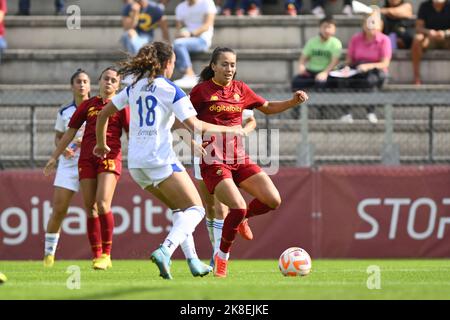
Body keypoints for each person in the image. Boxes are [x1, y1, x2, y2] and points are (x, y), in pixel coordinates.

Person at [93, 42, 245, 280]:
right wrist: (231, 130)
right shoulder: (171, 89)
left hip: (137, 164)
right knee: (196, 209)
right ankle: (166, 250)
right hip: (159, 159)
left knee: (180, 209)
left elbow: (103, 114)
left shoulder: (135, 87)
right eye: (174, 61)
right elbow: (195, 125)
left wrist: (101, 144)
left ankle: (193, 260)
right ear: (167, 63)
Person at [189, 46, 308, 277]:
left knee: (273, 200)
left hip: (239, 158)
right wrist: (189, 143)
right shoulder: (201, 92)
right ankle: (221, 258)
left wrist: (292, 101)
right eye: (224, 64)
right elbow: (181, 118)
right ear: (213, 66)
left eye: (233, 64)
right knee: (236, 206)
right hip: (213, 160)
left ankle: (243, 219)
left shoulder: (241, 89)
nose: (229, 69)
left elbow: (268, 108)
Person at [44, 67, 129, 271]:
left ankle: (107, 254)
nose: (108, 82)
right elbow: (69, 133)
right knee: (90, 208)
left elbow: (131, 133)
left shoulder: (122, 105)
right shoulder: (89, 106)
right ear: (99, 82)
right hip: (86, 160)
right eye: (105, 79)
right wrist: (54, 157)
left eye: (113, 80)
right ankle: (96, 256)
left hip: (109, 157)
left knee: (102, 203)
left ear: (118, 86)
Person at [195, 109, 257, 267]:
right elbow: (185, 121)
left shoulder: (236, 95)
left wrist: (244, 131)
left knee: (221, 208)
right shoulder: (198, 95)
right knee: (209, 207)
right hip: (204, 154)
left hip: (227, 157)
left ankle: (218, 254)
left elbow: (251, 120)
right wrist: (191, 142)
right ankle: (214, 249)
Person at [43, 69, 91, 267]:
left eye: (85, 81)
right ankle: (48, 255)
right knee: (59, 209)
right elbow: (58, 136)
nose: (81, 85)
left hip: (89, 164)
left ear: (90, 85)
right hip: (68, 166)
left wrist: (85, 141)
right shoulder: (64, 112)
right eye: (78, 81)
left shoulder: (97, 108)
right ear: (72, 86)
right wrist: (62, 150)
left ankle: (100, 254)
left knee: (94, 210)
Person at [329, 8, 392, 124]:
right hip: (357, 69)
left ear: (380, 25)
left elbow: (385, 63)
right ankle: (346, 113)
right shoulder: (355, 39)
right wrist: (347, 68)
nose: (370, 26)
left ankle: (370, 112)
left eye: (374, 22)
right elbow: (349, 61)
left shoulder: (385, 40)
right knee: (343, 80)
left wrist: (368, 66)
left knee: (370, 80)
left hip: (376, 70)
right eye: (367, 22)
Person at [172, 0, 217, 89]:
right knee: (169, 48)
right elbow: (178, 29)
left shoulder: (207, 2)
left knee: (178, 44)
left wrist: (190, 34)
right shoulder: (180, 7)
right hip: (185, 40)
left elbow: (207, 25)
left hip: (202, 40)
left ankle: (189, 74)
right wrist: (181, 33)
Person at [291, 17, 342, 92]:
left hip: (328, 72)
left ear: (334, 29)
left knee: (322, 83)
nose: (326, 30)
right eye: (324, 27)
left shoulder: (336, 43)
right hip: (311, 72)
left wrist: (325, 73)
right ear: (320, 28)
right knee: (296, 82)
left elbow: (334, 62)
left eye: (329, 27)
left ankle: (318, 103)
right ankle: (299, 102)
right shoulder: (312, 41)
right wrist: (301, 66)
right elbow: (303, 58)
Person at [411, 0, 450, 85]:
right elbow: (418, 27)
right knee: (417, 39)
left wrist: (445, 33)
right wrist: (429, 32)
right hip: (429, 39)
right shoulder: (424, 6)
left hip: (447, 39)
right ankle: (416, 77)